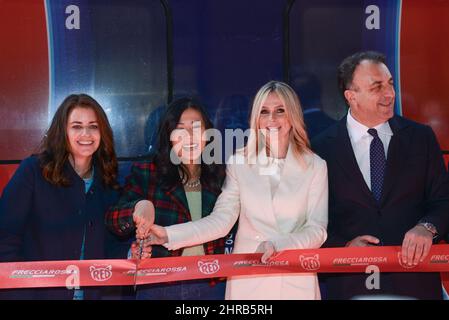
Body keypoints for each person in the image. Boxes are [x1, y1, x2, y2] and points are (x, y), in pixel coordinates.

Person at [146, 81, 329, 300]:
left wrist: (277, 245)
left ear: (293, 116)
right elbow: (221, 221)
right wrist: (168, 234)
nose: (271, 119)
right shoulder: (239, 162)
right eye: (264, 111)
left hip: (296, 282)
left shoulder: (315, 166)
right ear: (255, 118)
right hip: (249, 283)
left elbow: (317, 230)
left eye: (280, 111)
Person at [312, 51, 449, 300]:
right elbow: (311, 218)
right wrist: (342, 248)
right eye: (377, 87)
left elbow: (443, 201)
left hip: (415, 283)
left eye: (390, 84)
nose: (389, 94)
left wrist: (427, 228)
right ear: (351, 97)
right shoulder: (321, 148)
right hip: (350, 285)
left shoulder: (421, 138)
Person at [105, 97, 229, 300]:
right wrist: (138, 207)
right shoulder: (148, 172)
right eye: (180, 129)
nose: (189, 136)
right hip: (159, 285)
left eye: (197, 128)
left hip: (211, 284)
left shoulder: (221, 174)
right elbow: (113, 219)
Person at [0, 94, 121, 299]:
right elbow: (5, 238)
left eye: (93, 126)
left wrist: (130, 253)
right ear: (62, 132)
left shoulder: (108, 180)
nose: (86, 134)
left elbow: (110, 244)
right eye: (76, 126)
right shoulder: (33, 171)